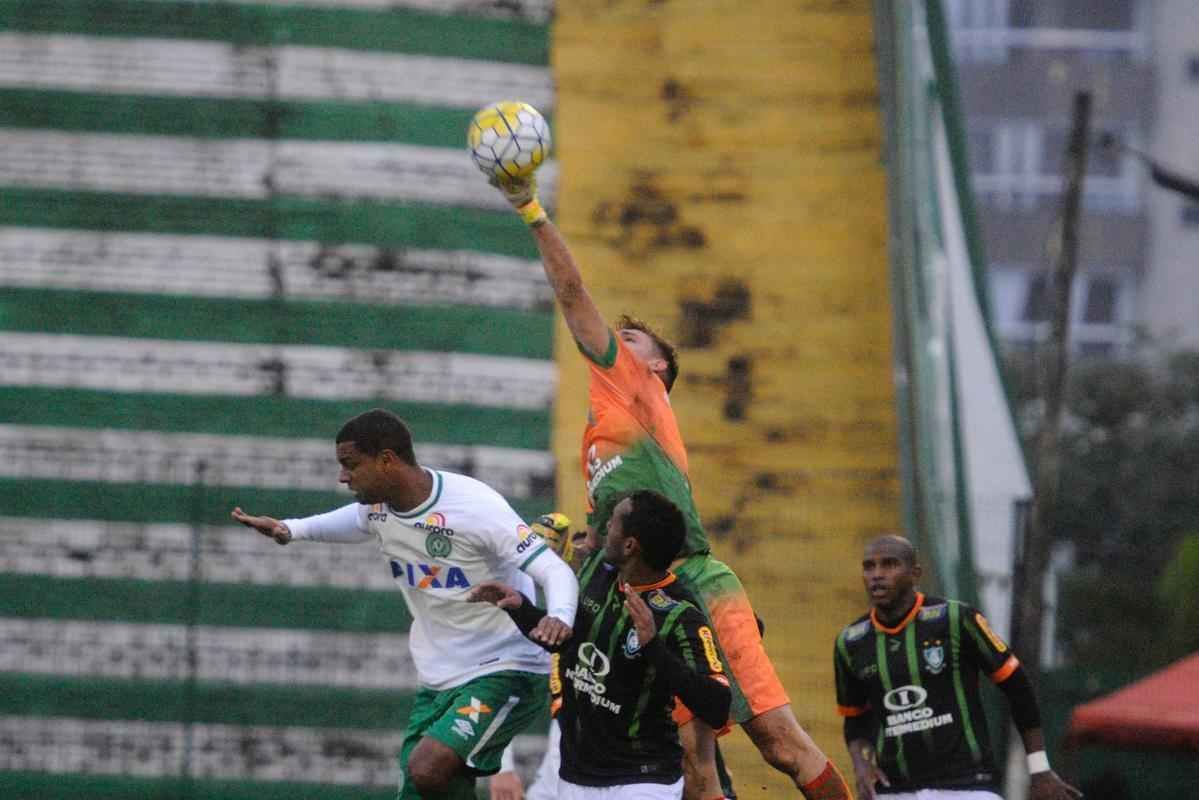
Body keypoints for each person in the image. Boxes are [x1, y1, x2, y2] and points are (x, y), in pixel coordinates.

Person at [488, 174, 850, 800]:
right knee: (692, 767)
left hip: (695, 585)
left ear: (653, 367)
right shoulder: (604, 438)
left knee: (781, 744)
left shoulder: (632, 387)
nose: (613, 343)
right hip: (644, 598)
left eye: (631, 341)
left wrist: (531, 209)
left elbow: (572, 295)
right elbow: (610, 534)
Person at [231, 408, 579, 799]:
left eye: (350, 465)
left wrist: (560, 617)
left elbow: (554, 570)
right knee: (424, 785)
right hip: (439, 675)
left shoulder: (475, 507)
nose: (343, 476)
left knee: (428, 768)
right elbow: (356, 520)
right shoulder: (378, 509)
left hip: (507, 667)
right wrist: (289, 530)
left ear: (387, 460)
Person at [469, 489, 732, 800]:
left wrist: (653, 648)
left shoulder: (680, 612)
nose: (605, 527)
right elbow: (567, 642)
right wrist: (521, 609)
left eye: (614, 523)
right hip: (574, 777)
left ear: (630, 544)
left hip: (642, 781)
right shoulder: (594, 571)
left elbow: (718, 706)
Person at [834, 535, 1085, 800]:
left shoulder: (956, 620)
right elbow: (854, 719)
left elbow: (1018, 688)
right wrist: (861, 764)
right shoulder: (851, 642)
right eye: (869, 567)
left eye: (889, 564)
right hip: (894, 791)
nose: (877, 575)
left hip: (967, 786)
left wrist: (1040, 770)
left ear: (915, 574)